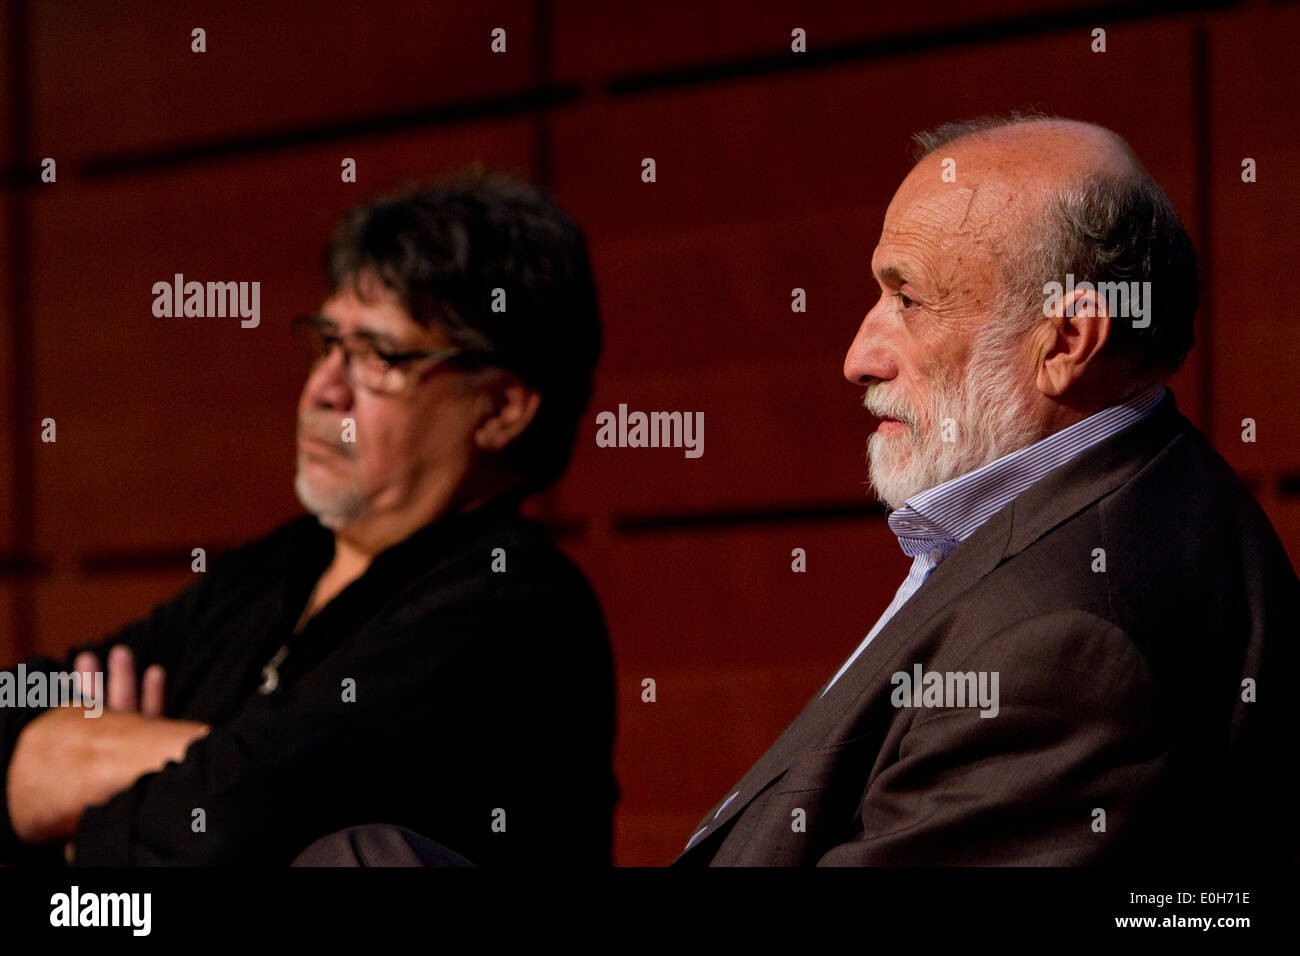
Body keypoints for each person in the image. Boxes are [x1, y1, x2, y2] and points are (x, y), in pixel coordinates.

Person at [674, 115, 1299, 866]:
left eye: (910, 301)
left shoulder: (1067, 651)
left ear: (1066, 342)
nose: (858, 358)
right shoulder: (1143, 493)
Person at [0, 165, 618, 866]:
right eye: (328, 344)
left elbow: (228, 822)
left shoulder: (517, 607)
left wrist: (88, 805)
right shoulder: (278, 566)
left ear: (502, 408)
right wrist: (208, 768)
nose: (324, 388)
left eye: (378, 356)